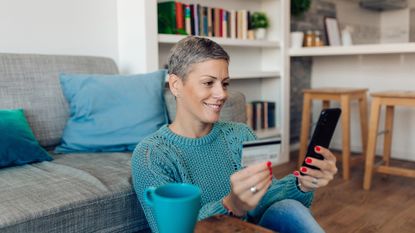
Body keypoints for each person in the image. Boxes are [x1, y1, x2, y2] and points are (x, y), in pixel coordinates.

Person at [131, 36, 337, 233]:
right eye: (208, 83)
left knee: (290, 209)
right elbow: (172, 229)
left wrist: (302, 182)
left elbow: (265, 197)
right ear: (176, 85)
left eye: (225, 83)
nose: (222, 94)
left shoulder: (240, 134)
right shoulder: (151, 154)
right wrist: (231, 205)